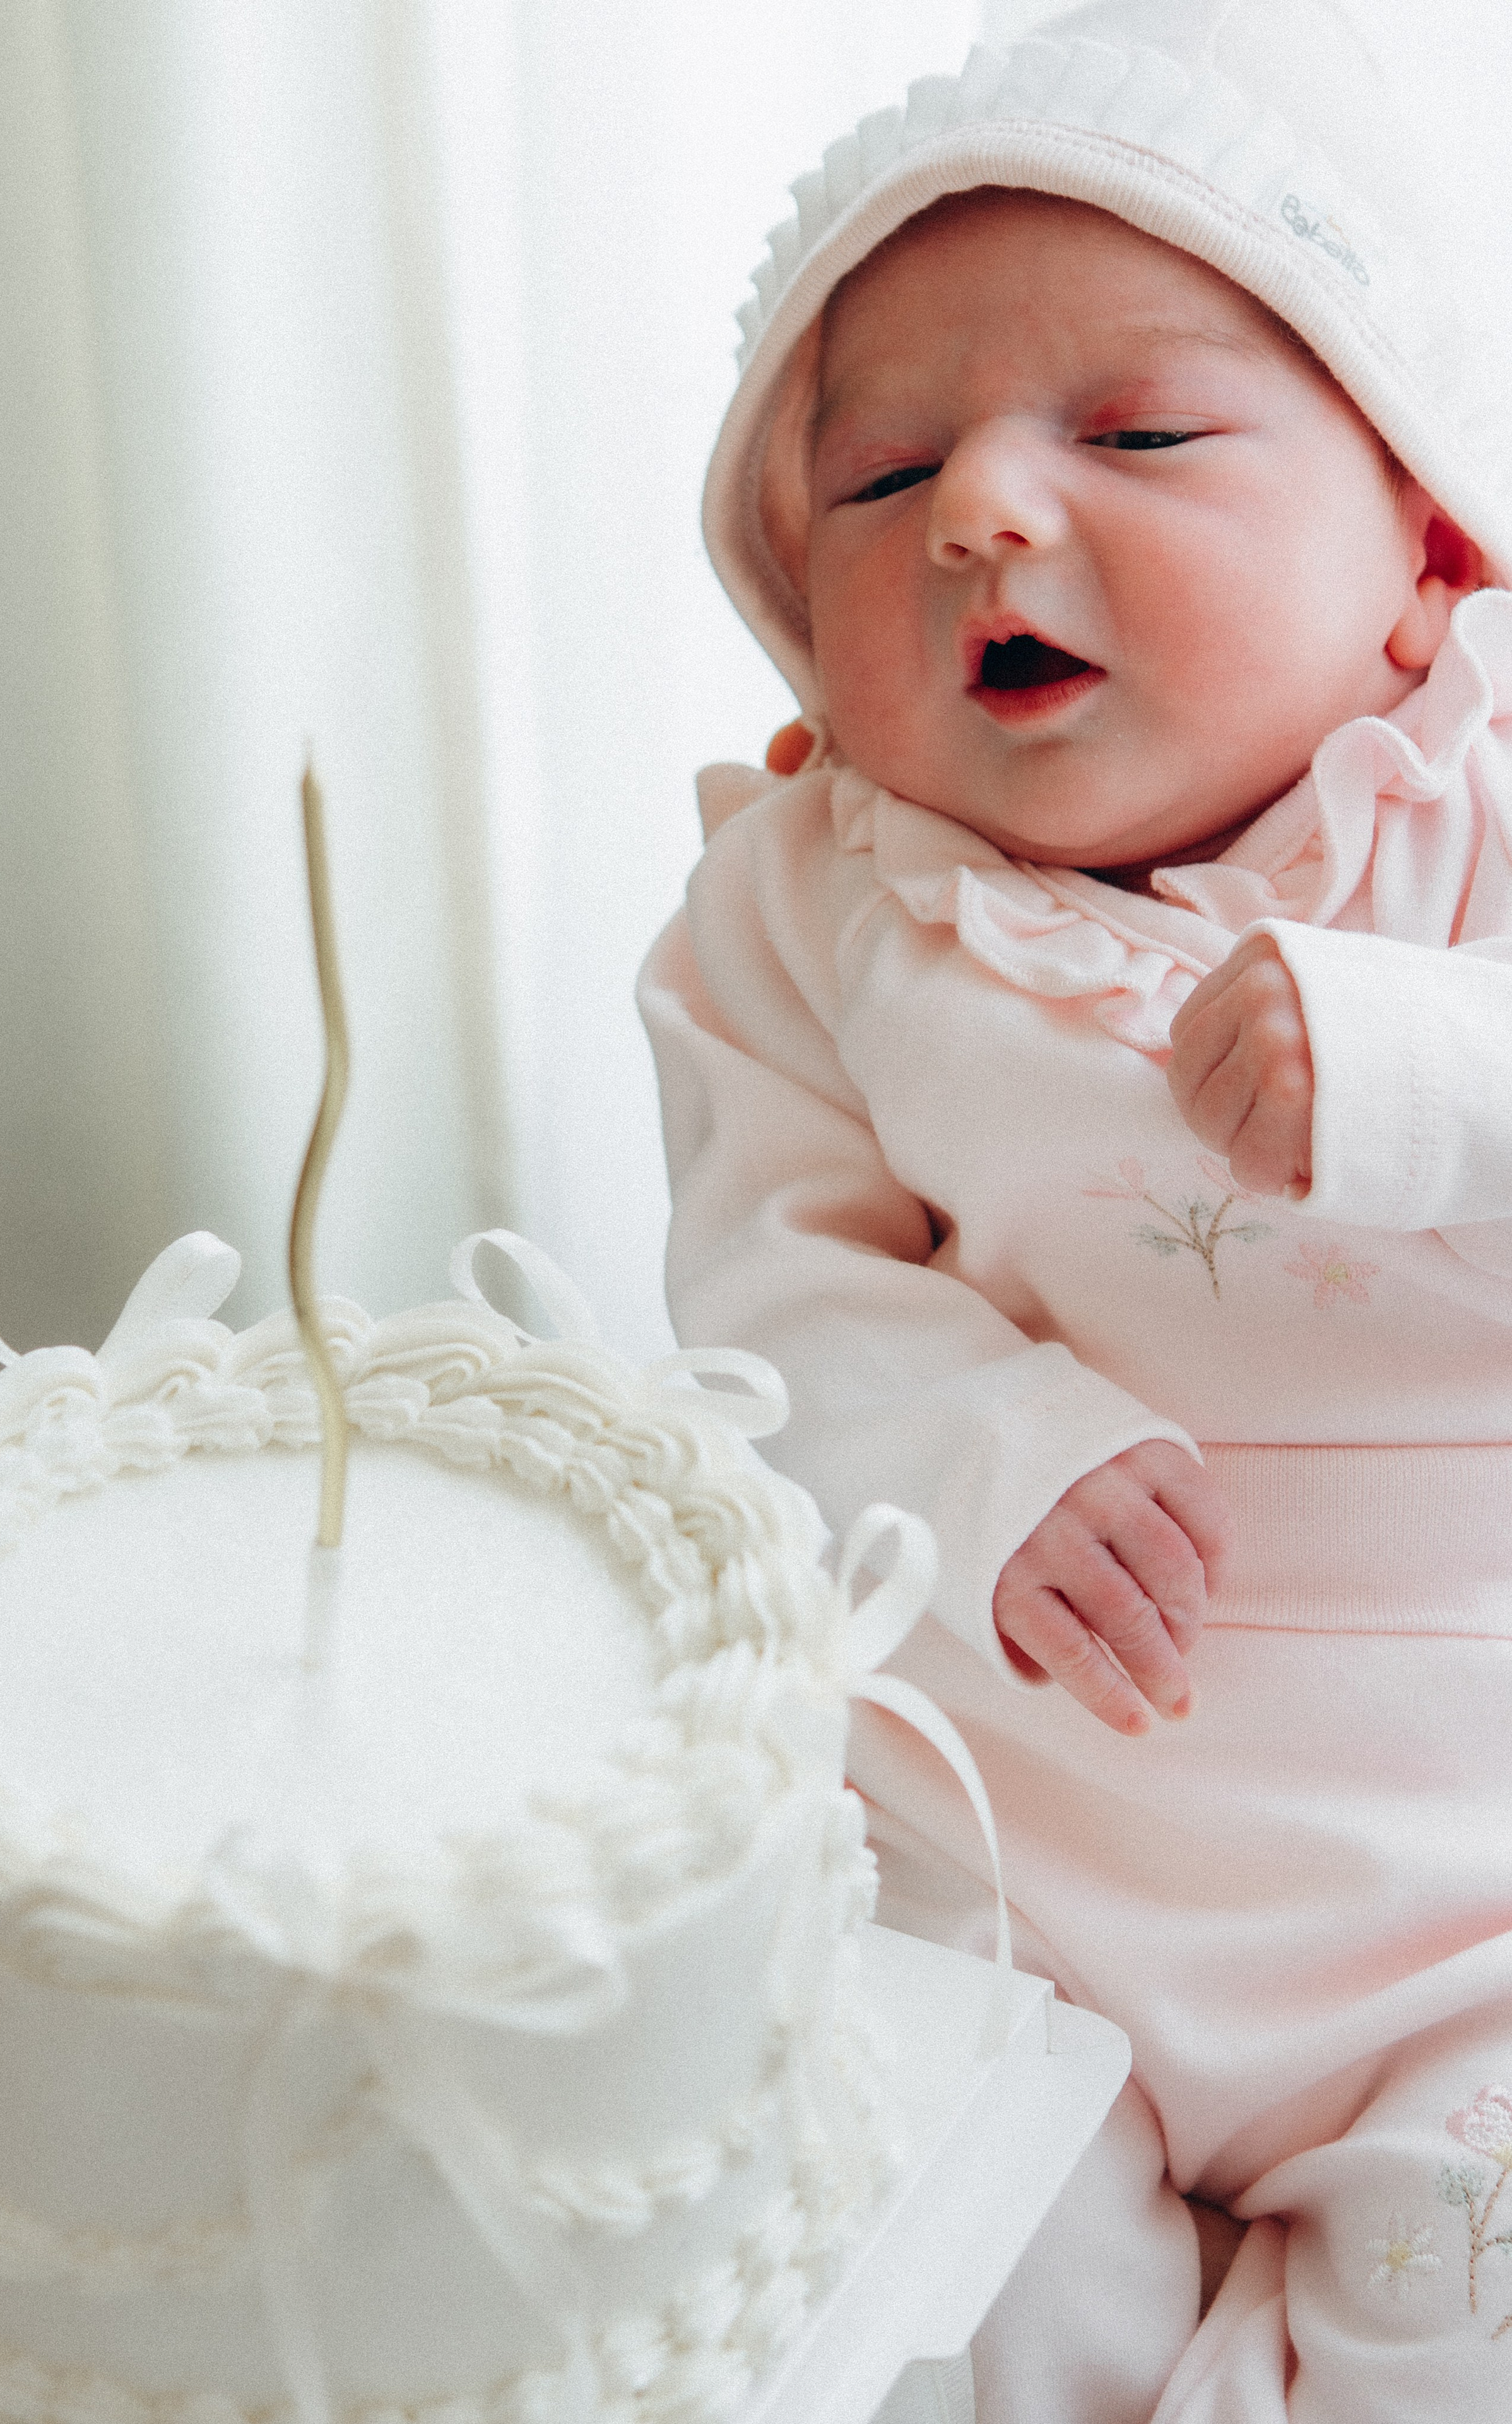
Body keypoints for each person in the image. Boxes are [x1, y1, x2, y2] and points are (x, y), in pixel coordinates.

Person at [637, 3, 1512, 2417]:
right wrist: (978, 1437)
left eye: (1135, 433)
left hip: (1461, 1869)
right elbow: (761, 1289)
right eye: (882, 475)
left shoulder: (1480, 802)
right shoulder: (804, 911)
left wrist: (1438, 1070)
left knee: (1468, 2314)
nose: (985, 515)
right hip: (1019, 1839)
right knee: (911, 2276)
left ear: (1427, 558)